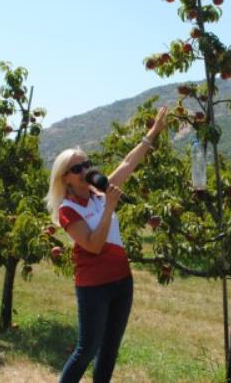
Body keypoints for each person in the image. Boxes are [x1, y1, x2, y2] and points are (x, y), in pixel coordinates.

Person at [45, 106, 168, 383]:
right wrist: (109, 207)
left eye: (88, 164)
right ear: (64, 177)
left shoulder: (99, 193)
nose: (86, 170)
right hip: (93, 288)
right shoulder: (67, 210)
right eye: (77, 168)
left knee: (110, 350)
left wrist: (152, 134)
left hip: (121, 282)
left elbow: (127, 163)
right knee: (86, 350)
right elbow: (92, 245)